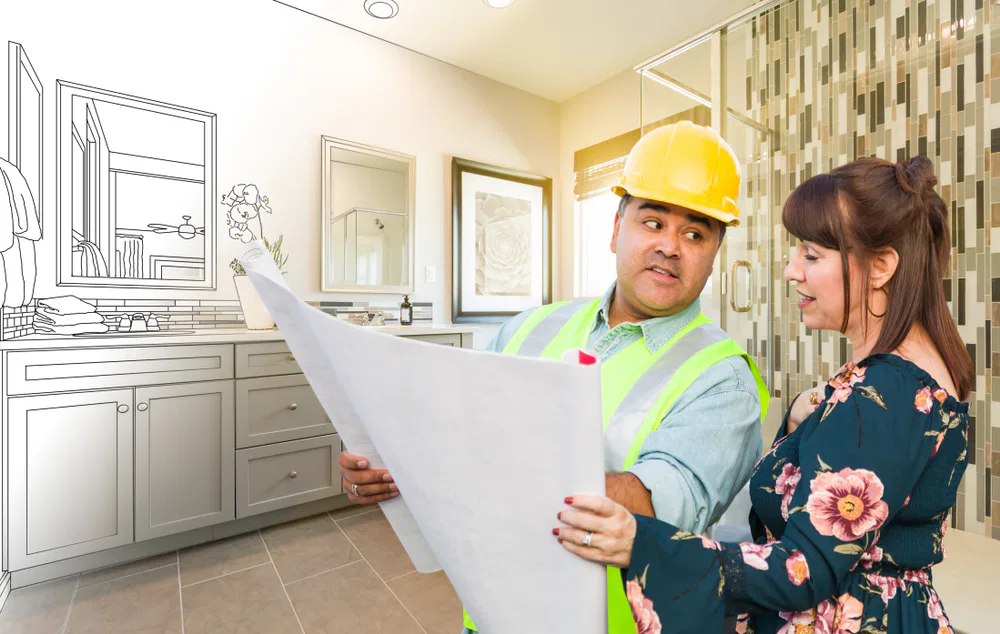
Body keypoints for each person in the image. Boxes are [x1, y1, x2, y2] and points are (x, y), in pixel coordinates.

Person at [339, 120, 770, 634]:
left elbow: (659, 507)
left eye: (695, 233)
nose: (670, 246)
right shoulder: (529, 326)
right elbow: (455, 433)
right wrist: (392, 469)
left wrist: (457, 469)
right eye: (653, 221)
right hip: (490, 613)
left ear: (714, 255)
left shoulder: (723, 378)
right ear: (615, 230)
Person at [556, 155, 973, 634]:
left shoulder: (888, 390)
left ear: (880, 266)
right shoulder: (898, 378)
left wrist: (641, 540)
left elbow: (804, 571)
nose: (792, 271)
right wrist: (803, 416)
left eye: (811, 255)